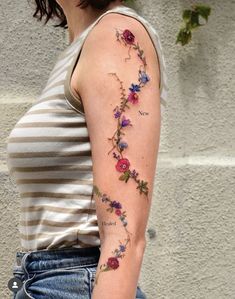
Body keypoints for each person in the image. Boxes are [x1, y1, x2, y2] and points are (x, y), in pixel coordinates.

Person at [7, 0, 167, 298]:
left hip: (74, 284)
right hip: (46, 280)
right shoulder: (83, 46)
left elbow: (125, 237)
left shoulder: (117, 36)